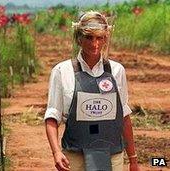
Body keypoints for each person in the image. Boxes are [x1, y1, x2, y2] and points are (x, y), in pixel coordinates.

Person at [44, 11, 140, 171]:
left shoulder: (117, 71)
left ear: (106, 39)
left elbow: (123, 117)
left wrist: (133, 159)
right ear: (79, 39)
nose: (94, 44)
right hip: (75, 157)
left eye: (100, 38)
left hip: (112, 156)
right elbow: (52, 116)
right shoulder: (62, 71)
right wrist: (56, 152)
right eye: (89, 37)